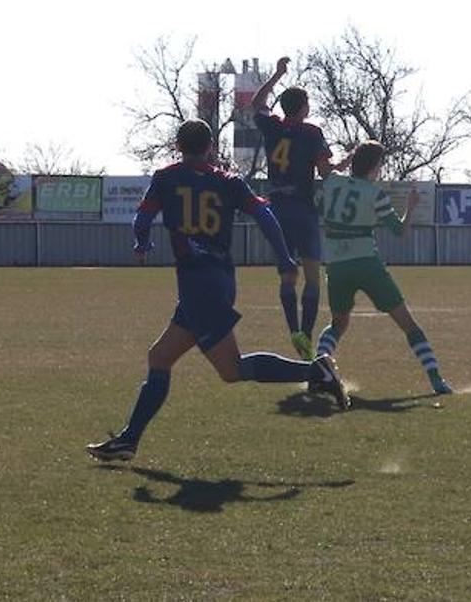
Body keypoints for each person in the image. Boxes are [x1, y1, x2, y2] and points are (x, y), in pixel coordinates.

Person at [86, 119, 347, 463]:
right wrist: (284, 258)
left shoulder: (166, 178)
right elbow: (265, 215)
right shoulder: (228, 181)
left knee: (231, 370)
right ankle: (128, 441)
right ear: (210, 146)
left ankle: (315, 371)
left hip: (199, 284)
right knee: (160, 357)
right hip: (218, 279)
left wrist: (142, 241)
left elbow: (143, 217)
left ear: (177, 146)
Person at [313, 140, 453, 395]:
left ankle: (317, 369)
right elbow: (399, 231)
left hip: (336, 265)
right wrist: (410, 208)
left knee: (338, 324)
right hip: (367, 264)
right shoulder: (374, 194)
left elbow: (317, 206)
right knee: (408, 324)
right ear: (375, 166)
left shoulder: (332, 182)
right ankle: (436, 380)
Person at [250, 57, 351, 361]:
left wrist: (276, 74)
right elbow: (325, 172)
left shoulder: (272, 126)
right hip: (303, 210)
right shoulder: (311, 132)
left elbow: (257, 102)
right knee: (311, 277)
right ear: (304, 107)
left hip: (277, 210)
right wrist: (343, 163)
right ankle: (306, 336)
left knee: (287, 277)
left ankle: (293, 330)